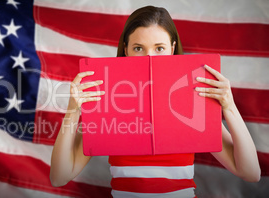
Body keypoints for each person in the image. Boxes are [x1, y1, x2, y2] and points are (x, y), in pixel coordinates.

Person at [50, 5, 261, 197]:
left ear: (172, 48)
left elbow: (250, 172)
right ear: (126, 50)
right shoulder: (106, 100)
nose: (149, 58)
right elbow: (59, 176)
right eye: (138, 48)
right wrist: (73, 110)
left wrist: (229, 106)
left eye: (159, 48)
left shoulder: (194, 98)